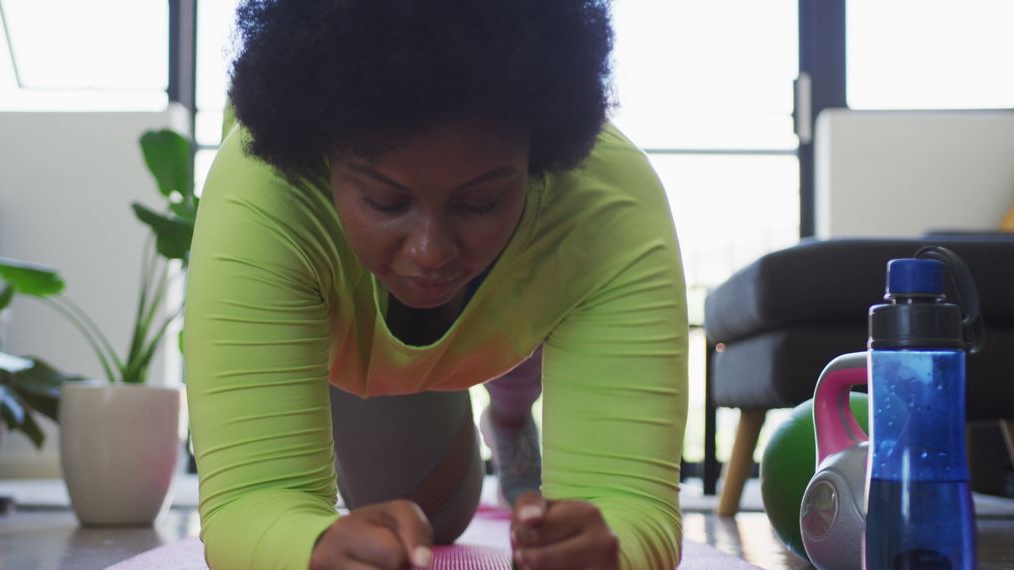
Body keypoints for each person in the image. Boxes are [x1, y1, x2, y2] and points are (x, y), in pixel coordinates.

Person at [184, 1, 689, 568]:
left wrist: (607, 552)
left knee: (433, 515)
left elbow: (630, 504)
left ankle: (506, 419)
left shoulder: (607, 210)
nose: (430, 253)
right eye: (384, 200)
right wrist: (313, 549)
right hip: (330, 334)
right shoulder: (266, 194)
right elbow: (249, 501)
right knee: (405, 523)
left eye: (480, 202)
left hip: (468, 326)